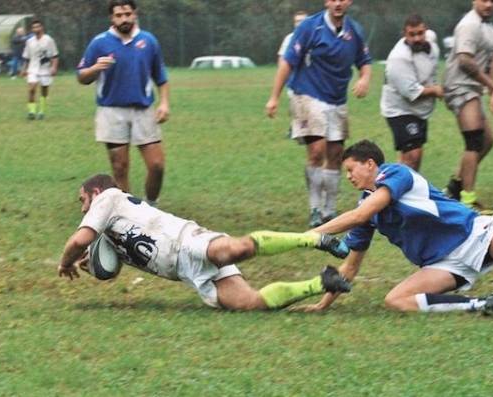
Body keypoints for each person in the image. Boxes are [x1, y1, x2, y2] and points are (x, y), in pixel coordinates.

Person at [57, 174, 352, 310]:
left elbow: (80, 238)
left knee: (238, 248)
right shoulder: (111, 226)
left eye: (82, 200)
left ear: (95, 192)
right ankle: (322, 283)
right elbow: (112, 263)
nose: (82, 208)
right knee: (250, 303)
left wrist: (66, 261)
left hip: (186, 242)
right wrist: (96, 263)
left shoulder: (107, 198)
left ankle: (314, 239)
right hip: (186, 272)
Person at [303, 140, 493, 314]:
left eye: (351, 169)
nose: (348, 176)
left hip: (473, 234)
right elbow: (350, 267)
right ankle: (482, 304)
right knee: (396, 300)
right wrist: (323, 304)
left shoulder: (397, 173)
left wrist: (310, 234)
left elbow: (359, 216)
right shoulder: (366, 205)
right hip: (443, 264)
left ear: (370, 164)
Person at [265, 0, 372, 228]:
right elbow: (287, 62)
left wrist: (364, 78)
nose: (338, 3)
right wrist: (274, 96)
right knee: (317, 151)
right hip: (307, 94)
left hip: (337, 100)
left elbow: (364, 62)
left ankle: (329, 210)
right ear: (327, 2)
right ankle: (315, 208)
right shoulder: (309, 27)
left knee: (336, 154)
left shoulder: (355, 31)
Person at [77, 0, 170, 207]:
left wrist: (164, 103)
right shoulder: (99, 42)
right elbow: (81, 77)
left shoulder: (148, 41)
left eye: (127, 14)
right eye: (119, 15)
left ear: (135, 14)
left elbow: (161, 76)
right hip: (112, 112)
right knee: (120, 167)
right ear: (112, 17)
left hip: (143, 111)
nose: (124, 19)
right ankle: (128, 212)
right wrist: (95, 68)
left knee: (157, 165)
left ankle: (151, 205)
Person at [442, 0, 493, 213]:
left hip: (472, 88)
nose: (489, 4)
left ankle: (455, 186)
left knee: (487, 140)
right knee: (474, 140)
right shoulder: (469, 24)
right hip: (459, 87)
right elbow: (465, 61)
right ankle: (467, 200)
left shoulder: (486, 25)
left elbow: (492, 54)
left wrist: (489, 88)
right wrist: (491, 86)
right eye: (484, 0)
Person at [380, 14, 443, 171]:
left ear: (426, 31)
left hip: (420, 110)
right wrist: (436, 90)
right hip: (400, 110)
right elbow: (411, 92)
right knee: (413, 155)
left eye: (420, 33)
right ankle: (389, 190)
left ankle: (398, 190)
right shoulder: (398, 57)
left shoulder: (432, 44)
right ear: (404, 34)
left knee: (409, 158)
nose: (416, 38)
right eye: (411, 34)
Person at [277, 11, 308, 139]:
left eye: (303, 20)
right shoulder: (289, 39)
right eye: (297, 21)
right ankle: (296, 129)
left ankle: (301, 131)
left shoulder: (314, 36)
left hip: (310, 79)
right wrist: (282, 74)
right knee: (295, 105)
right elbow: (282, 58)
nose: (300, 23)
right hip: (293, 79)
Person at [21, 19, 59, 120]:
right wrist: (24, 69)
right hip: (32, 69)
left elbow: (55, 55)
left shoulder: (49, 40)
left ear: (42, 27)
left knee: (44, 90)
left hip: (45, 69)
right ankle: (31, 112)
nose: (36, 29)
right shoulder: (29, 41)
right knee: (31, 89)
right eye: (34, 27)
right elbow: (26, 57)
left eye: (38, 26)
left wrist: (54, 67)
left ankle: (42, 111)